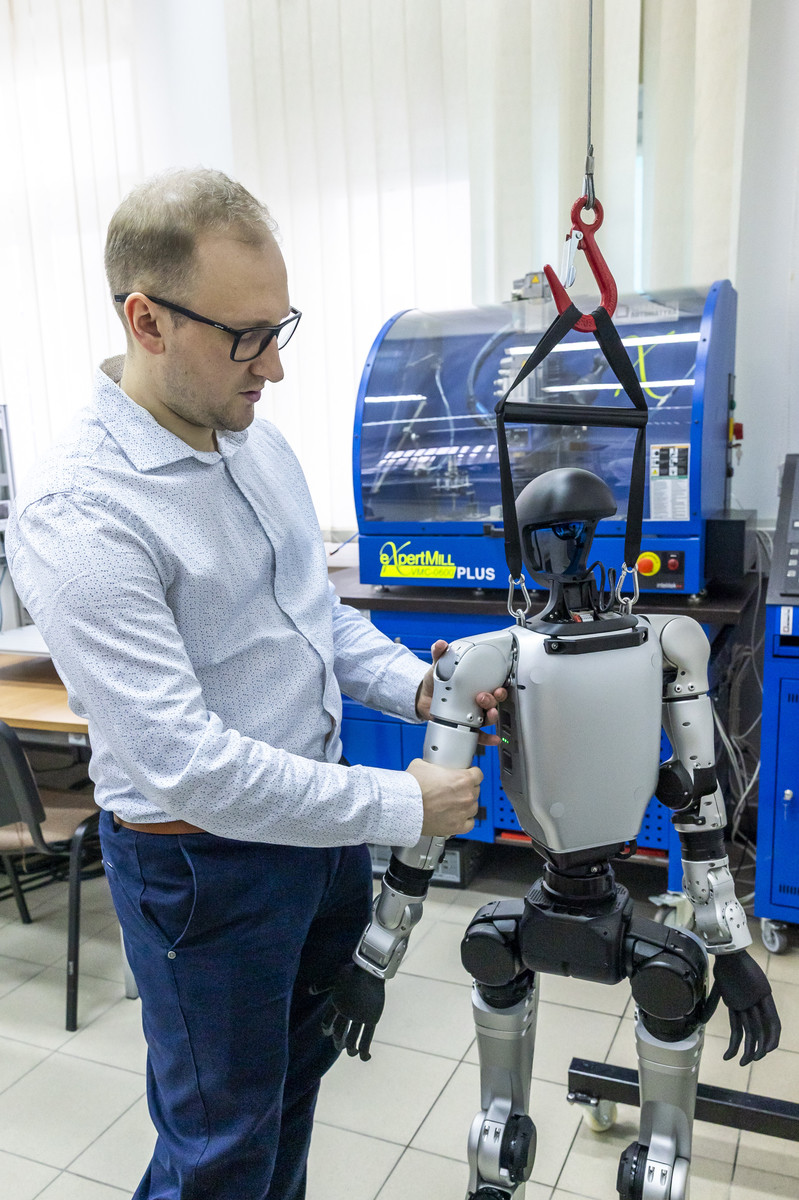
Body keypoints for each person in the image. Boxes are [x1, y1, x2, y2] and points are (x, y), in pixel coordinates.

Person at [6, 168, 506, 1200]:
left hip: (314, 844)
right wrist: (401, 803)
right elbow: (187, 766)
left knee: (289, 1096)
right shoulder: (80, 512)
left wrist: (418, 687)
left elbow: (312, 618)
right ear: (146, 320)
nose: (274, 366)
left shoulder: (254, 440)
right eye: (246, 337)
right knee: (219, 1147)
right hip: (205, 871)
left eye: (281, 329)